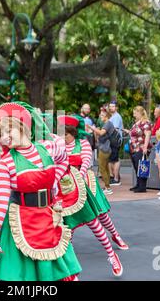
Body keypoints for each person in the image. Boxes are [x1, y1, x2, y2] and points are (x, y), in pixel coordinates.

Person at [0, 102, 82, 281]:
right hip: (22, 223)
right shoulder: (6, 164)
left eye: (8, 130)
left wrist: (54, 181)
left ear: (22, 126)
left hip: (49, 219)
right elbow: (1, 202)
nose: (4, 137)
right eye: (0, 134)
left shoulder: (47, 147)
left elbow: (63, 159)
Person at [57, 115, 125, 277]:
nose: (62, 137)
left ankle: (112, 251)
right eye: (61, 134)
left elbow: (86, 161)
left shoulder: (83, 144)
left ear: (73, 133)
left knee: (96, 219)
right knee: (67, 226)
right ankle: (70, 264)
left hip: (83, 185)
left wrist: (78, 178)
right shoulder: (57, 145)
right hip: (64, 189)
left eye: (65, 134)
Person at [124, 106, 152, 193]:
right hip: (134, 148)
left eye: (135, 113)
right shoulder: (137, 123)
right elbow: (135, 133)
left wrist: (145, 147)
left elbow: (147, 135)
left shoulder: (146, 123)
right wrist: (128, 131)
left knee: (141, 167)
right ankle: (138, 184)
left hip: (141, 148)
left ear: (140, 113)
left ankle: (142, 186)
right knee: (137, 167)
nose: (134, 115)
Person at [88, 110, 115, 195]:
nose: (100, 117)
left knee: (102, 168)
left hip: (105, 149)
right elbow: (99, 136)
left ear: (106, 116)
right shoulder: (106, 124)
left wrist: (92, 128)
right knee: (105, 168)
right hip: (105, 148)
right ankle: (107, 186)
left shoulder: (108, 124)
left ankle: (108, 187)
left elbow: (101, 133)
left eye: (102, 115)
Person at [108, 101, 123, 186]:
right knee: (111, 159)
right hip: (112, 140)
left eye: (113, 106)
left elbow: (115, 129)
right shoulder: (113, 116)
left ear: (116, 108)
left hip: (115, 140)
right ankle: (114, 177)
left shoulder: (116, 117)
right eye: (110, 106)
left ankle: (116, 179)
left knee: (115, 159)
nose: (111, 108)